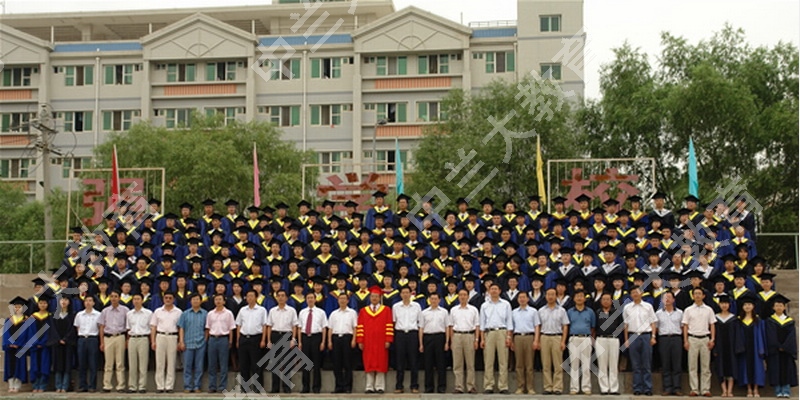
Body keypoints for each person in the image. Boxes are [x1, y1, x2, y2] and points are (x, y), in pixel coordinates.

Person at [356, 286, 394, 394]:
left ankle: (379, 387)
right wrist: (360, 340)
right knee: (369, 362)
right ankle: (369, 387)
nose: (374, 298)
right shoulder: (363, 311)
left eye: (376, 296)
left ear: (380, 297)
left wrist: (388, 339)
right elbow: (360, 327)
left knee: (381, 362)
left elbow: (389, 325)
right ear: (370, 297)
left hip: (381, 341)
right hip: (368, 341)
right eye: (372, 296)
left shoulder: (386, 310)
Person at [479, 283, 514, 394]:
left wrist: (509, 337)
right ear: (489, 291)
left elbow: (509, 322)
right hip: (489, 333)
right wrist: (482, 339)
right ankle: (488, 385)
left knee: (503, 361)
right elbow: (482, 323)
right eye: (492, 289)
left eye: (496, 289)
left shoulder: (506, 304)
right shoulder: (484, 305)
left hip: (502, 332)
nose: (494, 291)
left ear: (499, 291)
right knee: (488, 361)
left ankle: (503, 386)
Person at [623, 286, 658, 396]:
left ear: (641, 293)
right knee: (636, 365)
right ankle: (637, 388)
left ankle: (648, 388)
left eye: (637, 292)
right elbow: (626, 325)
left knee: (646, 364)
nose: (635, 294)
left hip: (646, 335)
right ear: (630, 295)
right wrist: (626, 340)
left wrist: (653, 336)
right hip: (633, 336)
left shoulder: (648, 306)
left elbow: (653, 323)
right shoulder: (627, 308)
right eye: (633, 292)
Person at [682, 287, 716, 397]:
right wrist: (685, 340)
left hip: (705, 338)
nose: (697, 295)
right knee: (692, 366)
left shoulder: (709, 310)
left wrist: (712, 339)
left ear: (703, 296)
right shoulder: (688, 310)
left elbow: (712, 325)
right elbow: (685, 326)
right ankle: (694, 389)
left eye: (699, 293)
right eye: (695, 293)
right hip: (692, 338)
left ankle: (705, 389)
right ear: (692, 296)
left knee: (705, 366)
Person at [448, 288, 480, 394]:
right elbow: (451, 326)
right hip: (457, 336)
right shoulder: (453, 310)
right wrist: (452, 340)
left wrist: (476, 339)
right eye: (461, 295)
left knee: (470, 363)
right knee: (457, 363)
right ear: (458, 297)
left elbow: (477, 325)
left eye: (464, 295)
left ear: (468, 297)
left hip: (469, 336)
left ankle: (471, 386)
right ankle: (459, 387)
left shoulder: (473, 310)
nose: (462, 297)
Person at [764, 294, 797, 398]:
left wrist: (785, 346)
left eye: (781, 305)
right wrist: (777, 345)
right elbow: (770, 335)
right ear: (773, 307)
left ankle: (786, 390)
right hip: (775, 350)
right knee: (775, 370)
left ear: (784, 307)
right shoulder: (770, 321)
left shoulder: (789, 321)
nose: (778, 307)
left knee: (787, 369)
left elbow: (791, 336)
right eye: (777, 305)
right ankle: (778, 391)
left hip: (787, 351)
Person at [266, 289, 299, 394]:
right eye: (278, 296)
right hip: (275, 335)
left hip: (287, 336)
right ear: (276, 298)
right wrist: (268, 340)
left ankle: (286, 387)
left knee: (287, 363)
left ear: (286, 298)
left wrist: (293, 339)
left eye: (282, 295)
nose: (280, 298)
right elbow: (269, 326)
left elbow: (294, 326)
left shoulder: (291, 310)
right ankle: (275, 388)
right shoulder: (272, 311)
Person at [538, 287, 569, 395]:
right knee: (546, 364)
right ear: (545, 296)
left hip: (557, 337)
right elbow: (538, 326)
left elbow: (565, 326)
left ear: (556, 296)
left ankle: (557, 388)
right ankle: (547, 387)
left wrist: (563, 341)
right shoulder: (541, 310)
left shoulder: (562, 310)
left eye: (552, 294)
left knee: (558, 364)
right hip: (544, 337)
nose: (550, 297)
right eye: (548, 294)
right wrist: (538, 340)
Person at [235, 289, 268, 393]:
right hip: (244, 338)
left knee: (256, 365)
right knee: (244, 364)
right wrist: (238, 339)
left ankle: (258, 387)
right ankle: (244, 387)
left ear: (256, 297)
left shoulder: (261, 310)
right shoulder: (242, 310)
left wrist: (263, 340)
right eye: (248, 296)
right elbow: (238, 325)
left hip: (256, 339)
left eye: (252, 296)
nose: (249, 298)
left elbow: (264, 325)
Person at [734, 293, 766, 397]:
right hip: (744, 348)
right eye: (745, 305)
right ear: (742, 307)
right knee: (745, 367)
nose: (747, 306)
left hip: (755, 347)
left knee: (757, 367)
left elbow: (762, 335)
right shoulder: (739, 321)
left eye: (749, 304)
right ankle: (748, 389)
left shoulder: (758, 320)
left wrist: (761, 348)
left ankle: (756, 389)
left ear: (753, 306)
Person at [150, 291, 182, 393]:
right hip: (160, 336)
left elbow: (180, 328)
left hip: (173, 337)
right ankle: (160, 386)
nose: (168, 300)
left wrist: (180, 341)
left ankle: (169, 386)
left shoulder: (178, 312)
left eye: (170, 298)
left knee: (171, 362)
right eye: (166, 298)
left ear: (173, 299)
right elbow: (153, 327)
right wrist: (153, 341)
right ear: (163, 299)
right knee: (160, 362)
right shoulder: (158, 311)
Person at [392, 285, 422, 394]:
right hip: (400, 334)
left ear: (410, 294)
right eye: (403, 293)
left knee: (414, 361)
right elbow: (394, 322)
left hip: (412, 334)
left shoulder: (416, 306)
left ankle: (414, 386)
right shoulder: (396, 307)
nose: (405, 295)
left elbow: (420, 322)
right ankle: (399, 386)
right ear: (400, 294)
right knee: (400, 361)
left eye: (407, 293)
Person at [98, 290, 129, 393]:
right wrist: (102, 342)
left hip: (120, 337)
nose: (113, 298)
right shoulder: (105, 311)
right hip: (108, 338)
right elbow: (101, 327)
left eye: (116, 296)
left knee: (120, 363)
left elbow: (128, 326)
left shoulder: (125, 310)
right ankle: (107, 385)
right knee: (108, 363)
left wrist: (127, 340)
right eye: (112, 296)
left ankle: (121, 386)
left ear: (119, 298)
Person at [511, 291, 541, 394]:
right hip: (518, 337)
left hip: (529, 337)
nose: (522, 299)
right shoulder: (514, 312)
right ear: (517, 299)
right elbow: (511, 328)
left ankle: (530, 387)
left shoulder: (533, 311)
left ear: (528, 299)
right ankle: (520, 387)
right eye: (520, 297)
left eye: (524, 297)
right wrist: (511, 340)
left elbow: (537, 326)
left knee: (529, 365)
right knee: (519, 364)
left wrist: (536, 340)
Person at [327, 292, 358, 393]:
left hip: (347, 338)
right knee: (337, 364)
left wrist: (354, 339)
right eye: (340, 299)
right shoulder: (334, 313)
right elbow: (330, 328)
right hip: (336, 338)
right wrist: (329, 341)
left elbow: (355, 327)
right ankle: (338, 386)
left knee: (347, 363)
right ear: (338, 300)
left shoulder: (352, 313)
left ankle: (348, 387)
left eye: (344, 299)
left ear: (348, 301)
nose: (342, 300)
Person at [298, 291, 328, 394]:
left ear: (315, 299)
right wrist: (300, 342)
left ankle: (316, 387)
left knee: (316, 363)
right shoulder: (302, 312)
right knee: (305, 364)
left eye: (312, 298)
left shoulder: (321, 312)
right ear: (306, 300)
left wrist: (323, 342)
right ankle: (305, 387)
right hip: (305, 337)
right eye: (308, 298)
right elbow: (299, 328)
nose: (310, 300)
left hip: (317, 337)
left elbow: (324, 328)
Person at [419, 292, 449, 394]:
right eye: (432, 299)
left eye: (436, 299)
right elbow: (421, 328)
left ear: (439, 300)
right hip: (427, 338)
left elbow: (447, 327)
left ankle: (442, 387)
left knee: (441, 363)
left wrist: (447, 342)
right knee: (428, 363)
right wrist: (421, 343)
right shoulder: (424, 313)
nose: (434, 301)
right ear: (429, 300)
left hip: (440, 337)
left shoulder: (444, 312)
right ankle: (429, 387)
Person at [567, 289, 595, 395]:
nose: (579, 298)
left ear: (584, 298)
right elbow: (567, 326)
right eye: (577, 296)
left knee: (586, 364)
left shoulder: (590, 312)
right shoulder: (569, 312)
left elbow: (593, 327)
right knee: (574, 364)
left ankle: (586, 387)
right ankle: (574, 388)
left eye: (581, 296)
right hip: (573, 338)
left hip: (586, 338)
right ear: (574, 298)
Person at [655, 291, 684, 396]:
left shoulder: (680, 313)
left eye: (669, 297)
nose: (667, 299)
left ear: (673, 299)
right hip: (663, 339)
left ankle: (677, 388)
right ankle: (667, 388)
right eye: (665, 298)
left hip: (676, 338)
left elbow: (682, 327)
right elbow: (656, 328)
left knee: (677, 364)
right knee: (665, 363)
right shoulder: (658, 313)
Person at [206, 293, 236, 394]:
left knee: (223, 364)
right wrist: (207, 340)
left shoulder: (228, 313)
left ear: (224, 301)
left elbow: (231, 328)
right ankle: (212, 386)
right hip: (212, 339)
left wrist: (230, 341)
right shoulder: (210, 314)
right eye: (216, 299)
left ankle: (222, 387)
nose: (218, 301)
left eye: (220, 299)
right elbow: (208, 328)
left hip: (223, 339)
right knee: (212, 364)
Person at [178, 293, 208, 393]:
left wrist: (205, 340)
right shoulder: (185, 314)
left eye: (197, 299)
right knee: (187, 366)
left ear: (201, 301)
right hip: (188, 343)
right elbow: (181, 328)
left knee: (199, 366)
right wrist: (181, 341)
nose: (195, 301)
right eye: (193, 299)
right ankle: (187, 386)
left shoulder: (205, 314)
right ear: (190, 301)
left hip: (201, 343)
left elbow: (207, 329)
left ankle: (197, 386)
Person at [126, 292, 152, 394]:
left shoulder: (148, 313)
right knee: (132, 364)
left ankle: (142, 386)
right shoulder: (129, 314)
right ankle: (132, 386)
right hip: (132, 338)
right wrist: (127, 340)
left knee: (143, 364)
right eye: (134, 299)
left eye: (138, 299)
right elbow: (128, 328)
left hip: (143, 338)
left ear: (142, 300)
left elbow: (151, 327)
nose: (136, 301)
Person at [595, 292, 621, 395]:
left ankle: (614, 388)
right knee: (602, 364)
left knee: (613, 364)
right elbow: (594, 327)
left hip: (613, 339)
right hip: (601, 339)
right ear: (601, 301)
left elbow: (621, 325)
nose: (606, 301)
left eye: (608, 299)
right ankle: (604, 388)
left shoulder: (616, 312)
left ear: (611, 301)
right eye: (604, 299)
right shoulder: (597, 312)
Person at [50, 294, 77, 393]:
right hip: (57, 344)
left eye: (66, 300)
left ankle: (65, 386)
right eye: (62, 300)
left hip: (68, 344)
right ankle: (58, 386)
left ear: (69, 302)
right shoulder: (54, 315)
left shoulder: (72, 315)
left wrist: (65, 339)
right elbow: (52, 329)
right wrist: (58, 340)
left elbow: (72, 329)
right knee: (58, 364)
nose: (63, 302)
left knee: (67, 365)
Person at [4, 296, 30, 393]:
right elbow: (6, 334)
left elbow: (25, 334)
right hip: (10, 348)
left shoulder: (26, 320)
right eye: (16, 307)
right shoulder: (9, 320)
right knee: (10, 366)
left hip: (20, 347)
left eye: (20, 307)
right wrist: (9, 344)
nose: (17, 308)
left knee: (19, 366)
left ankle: (17, 385)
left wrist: (18, 344)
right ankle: (11, 385)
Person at [29, 294, 53, 393]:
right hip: (34, 345)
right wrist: (35, 342)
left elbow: (50, 332)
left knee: (44, 365)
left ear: (47, 304)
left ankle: (42, 385)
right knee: (35, 365)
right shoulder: (33, 317)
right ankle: (35, 385)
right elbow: (31, 332)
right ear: (38, 304)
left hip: (45, 345)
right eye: (41, 303)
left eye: (44, 303)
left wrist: (43, 342)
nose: (43, 305)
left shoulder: (50, 317)